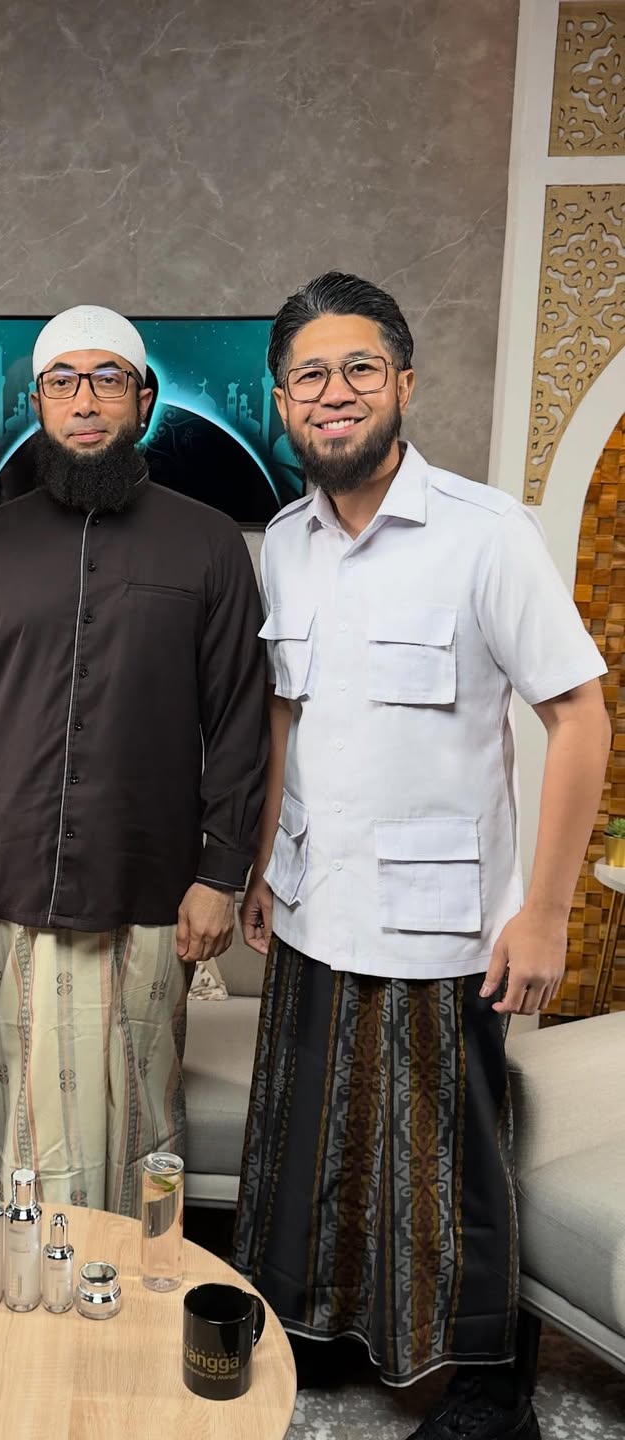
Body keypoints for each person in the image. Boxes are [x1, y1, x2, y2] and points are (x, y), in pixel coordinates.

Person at [232, 272, 610, 1440]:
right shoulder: (284, 544)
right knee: (312, 1139)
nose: (333, 393)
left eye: (359, 368)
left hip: (445, 920)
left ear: (403, 383)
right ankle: (324, 1335)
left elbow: (581, 717)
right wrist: (263, 862)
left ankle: (486, 1387)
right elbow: (285, 716)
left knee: (447, 1158)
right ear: (281, 402)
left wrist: (544, 913)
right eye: (309, 375)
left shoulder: (486, 535)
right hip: (314, 901)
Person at [0, 304, 268, 1216]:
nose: (86, 399)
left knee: (142, 1117)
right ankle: (21, 1296)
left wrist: (221, 876)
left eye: (109, 378)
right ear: (37, 401)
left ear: (144, 399)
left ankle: (134, 1290)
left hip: (151, 892)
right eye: (63, 381)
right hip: (1, 890)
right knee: (16, 1125)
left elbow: (239, 721)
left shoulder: (210, 544)